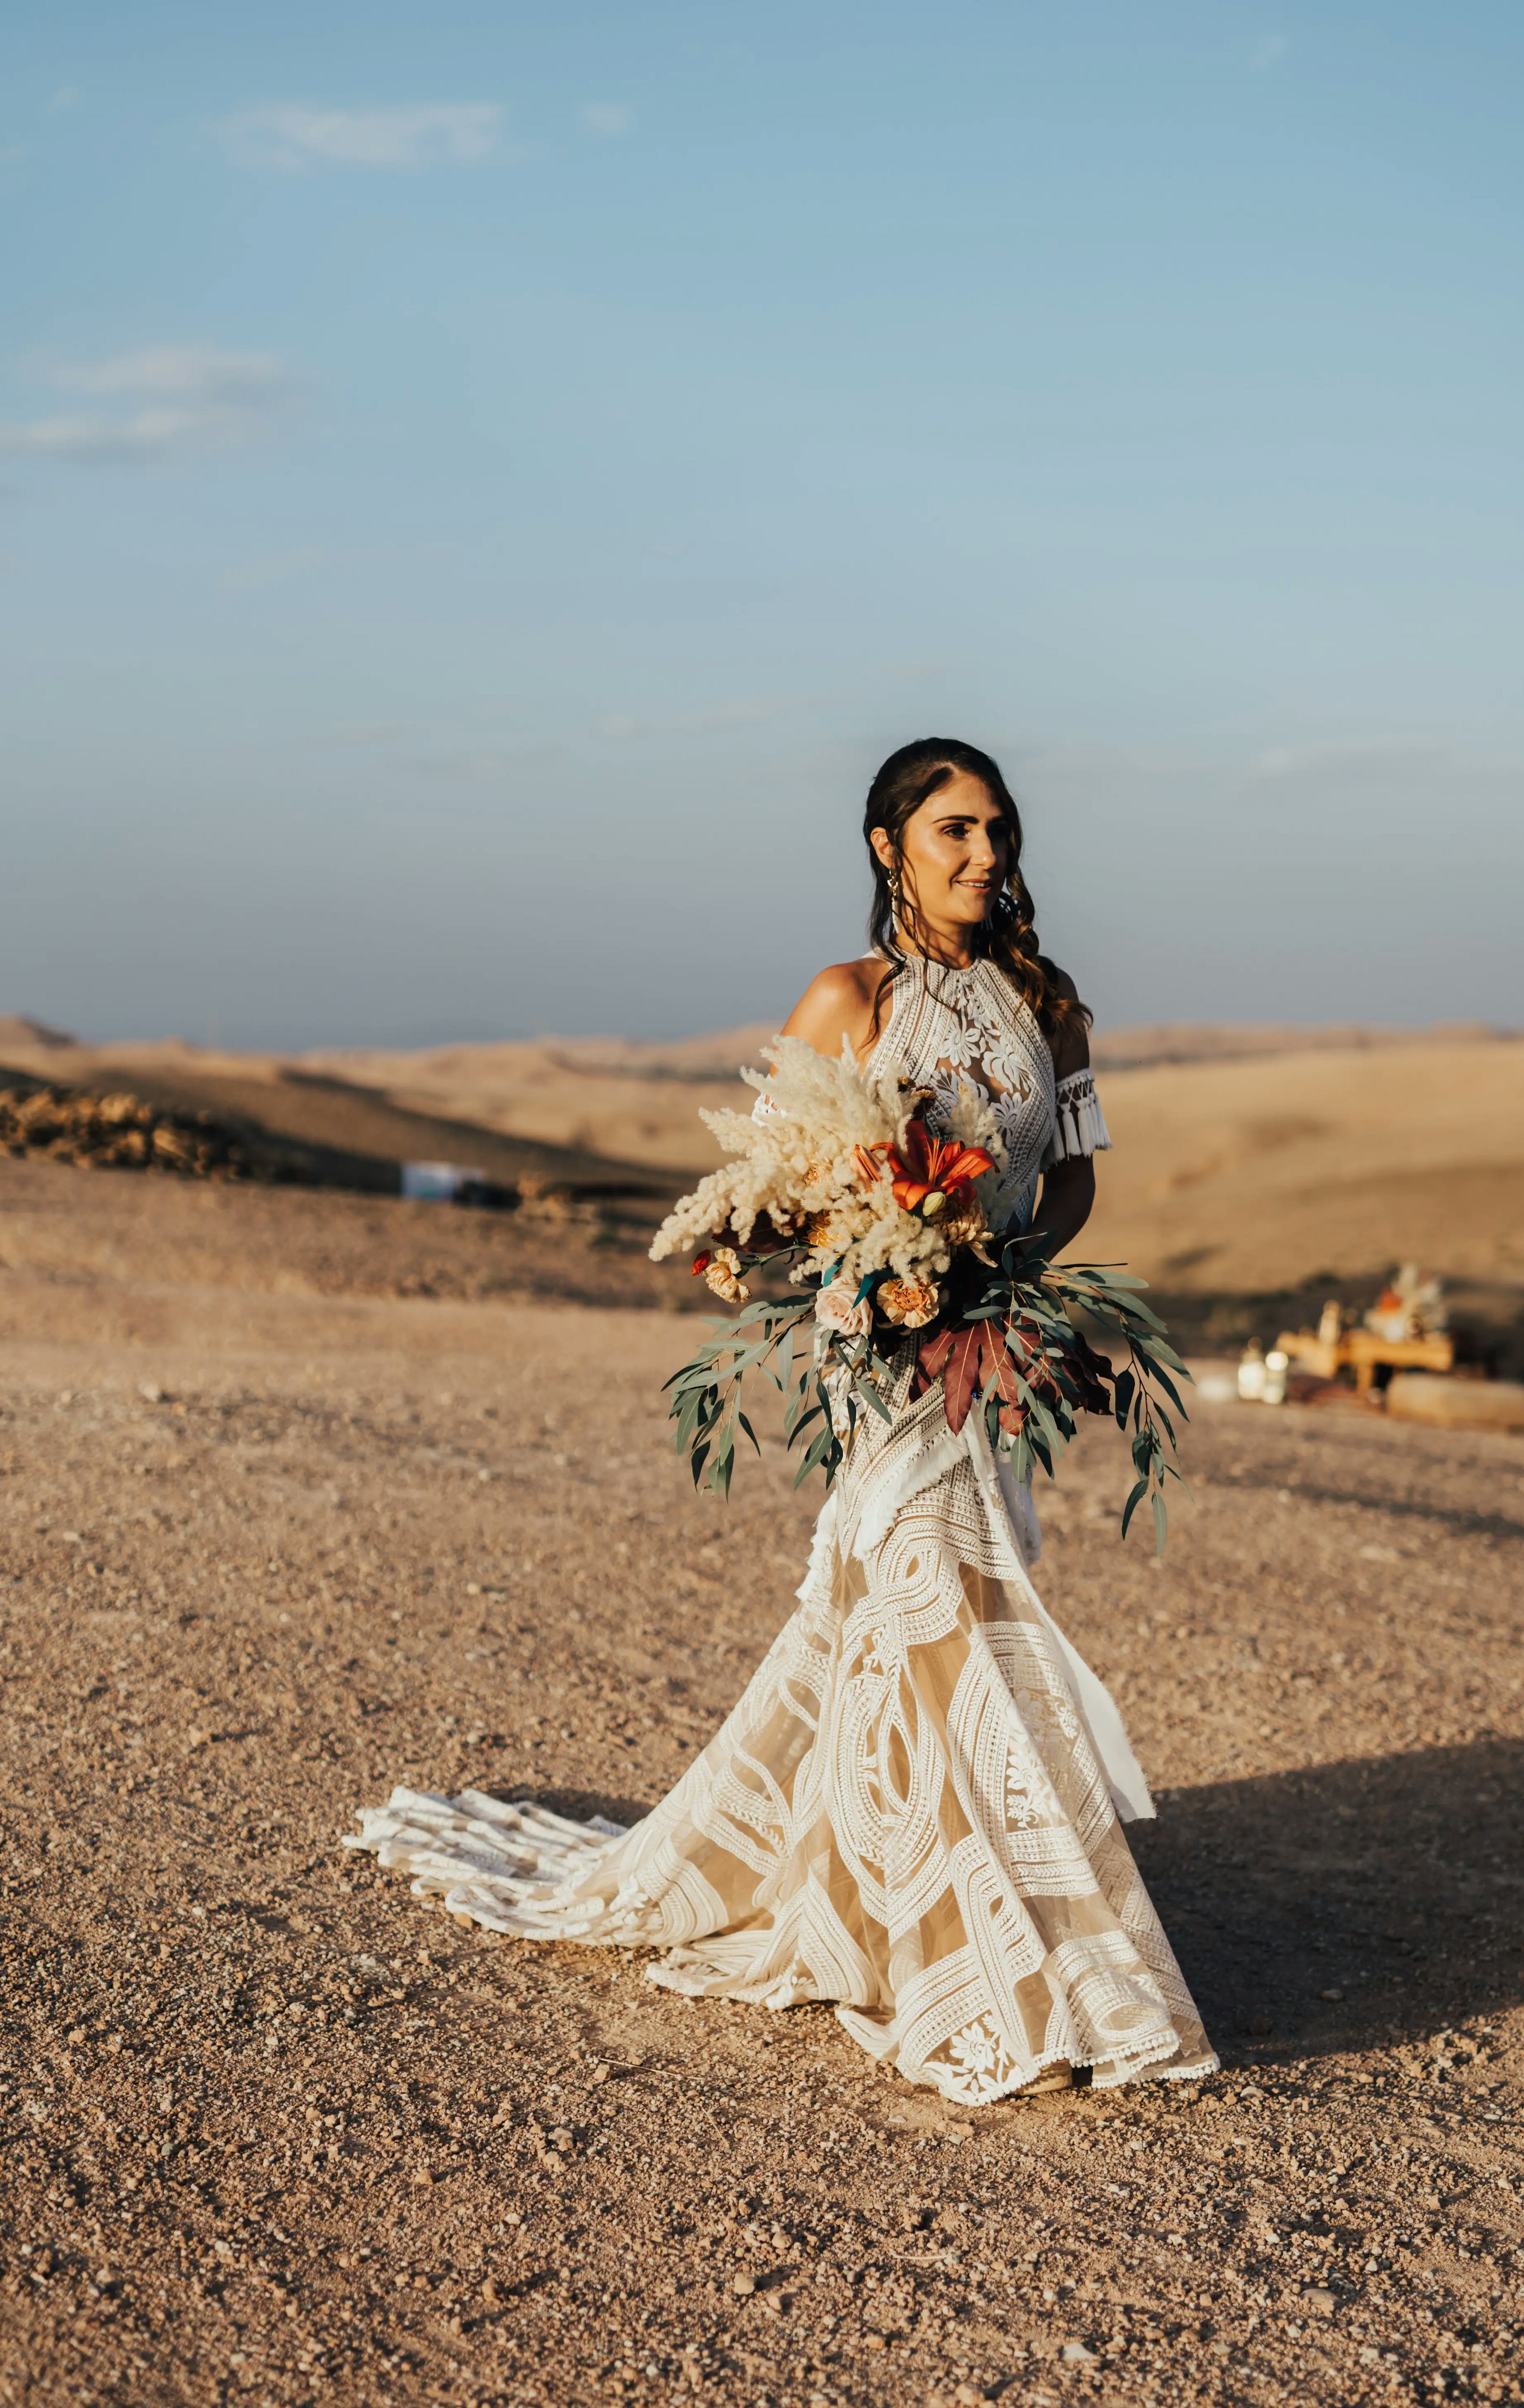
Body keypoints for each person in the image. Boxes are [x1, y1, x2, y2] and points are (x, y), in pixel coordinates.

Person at [347, 739, 1215, 2105]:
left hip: (987, 1344)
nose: (987, 856)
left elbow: (1078, 1181)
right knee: (932, 1599)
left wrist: (1005, 1278)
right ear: (890, 846)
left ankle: (907, 1913)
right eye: (955, 833)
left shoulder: (1050, 1007)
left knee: (946, 1617)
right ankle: (991, 1969)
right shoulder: (847, 997)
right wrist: (878, 1253)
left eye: (998, 832)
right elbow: (763, 1189)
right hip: (877, 1358)